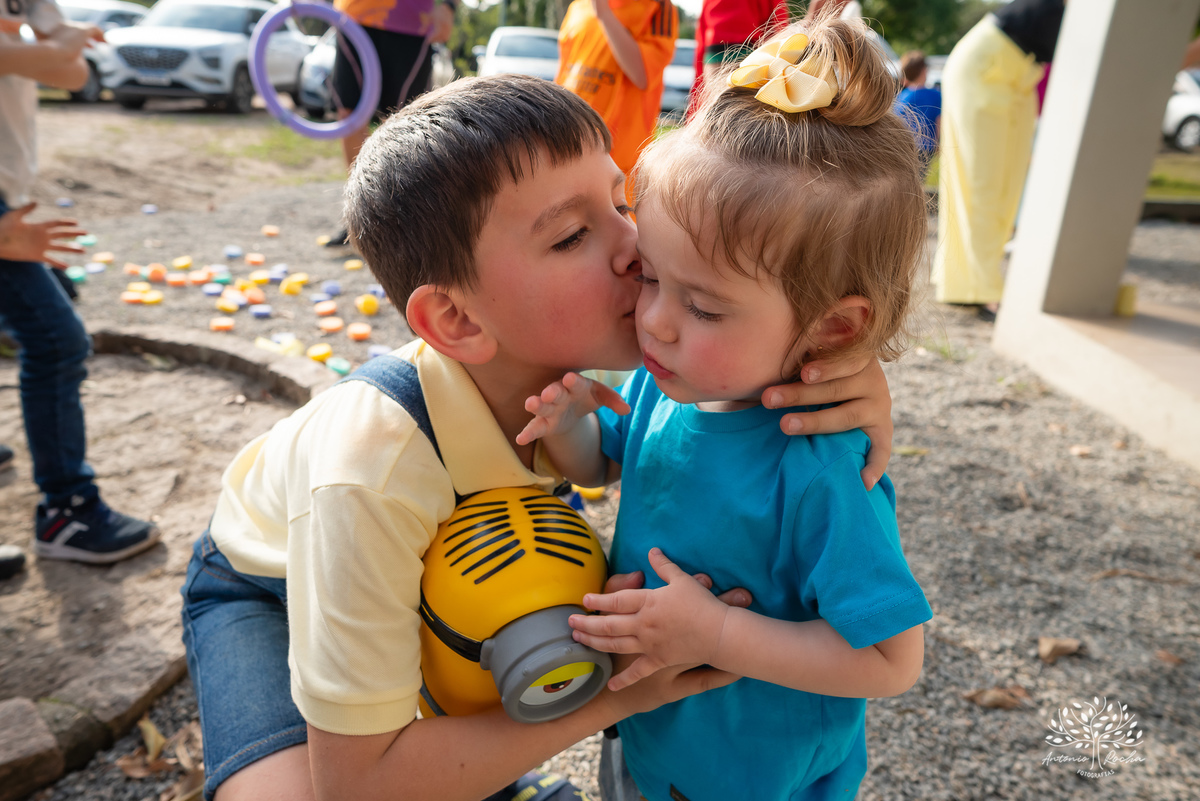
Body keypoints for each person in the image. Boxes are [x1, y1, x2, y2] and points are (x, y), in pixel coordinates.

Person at [181, 74, 898, 801]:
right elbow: (358, 786)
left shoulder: (624, 355)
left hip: (454, 564)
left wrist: (834, 365)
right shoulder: (368, 473)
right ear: (458, 321)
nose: (637, 247)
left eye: (622, 202)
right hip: (268, 588)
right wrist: (621, 692)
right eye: (572, 235)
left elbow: (766, 303)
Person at [516, 17, 931, 801]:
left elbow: (890, 659)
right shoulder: (668, 379)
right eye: (649, 276)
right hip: (649, 734)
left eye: (703, 306)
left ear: (835, 328)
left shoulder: (819, 464)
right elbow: (606, 463)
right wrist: (570, 427)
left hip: (753, 777)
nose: (654, 320)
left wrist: (716, 632)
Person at [1, 0, 160, 577]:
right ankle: (66, 510)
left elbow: (73, 72)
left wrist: (41, 50)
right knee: (57, 339)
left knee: (51, 317)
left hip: (9, 192)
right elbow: (49, 56)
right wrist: (45, 47)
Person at [931, 0, 1065, 314]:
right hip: (985, 67)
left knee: (1007, 187)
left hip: (1021, 75)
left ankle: (963, 280)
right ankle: (974, 289)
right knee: (981, 183)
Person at [321, 0, 456, 247]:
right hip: (353, 14)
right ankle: (360, 216)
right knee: (350, 115)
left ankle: (402, 220)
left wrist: (448, 6)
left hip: (410, 18)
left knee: (404, 121)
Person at [556, 0, 678, 178]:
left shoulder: (657, 6)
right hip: (571, 148)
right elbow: (563, 76)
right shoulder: (578, 7)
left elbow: (642, 75)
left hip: (620, 163)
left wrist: (604, 14)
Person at [689, 0, 787, 114]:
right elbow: (778, 19)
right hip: (749, 52)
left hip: (714, 56)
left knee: (715, 111)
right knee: (749, 113)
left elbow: (702, 27)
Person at [894, 50, 941, 176]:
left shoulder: (902, 96)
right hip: (926, 146)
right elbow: (939, 121)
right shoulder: (935, 95)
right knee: (919, 178)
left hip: (904, 145)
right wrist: (938, 144)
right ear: (924, 71)